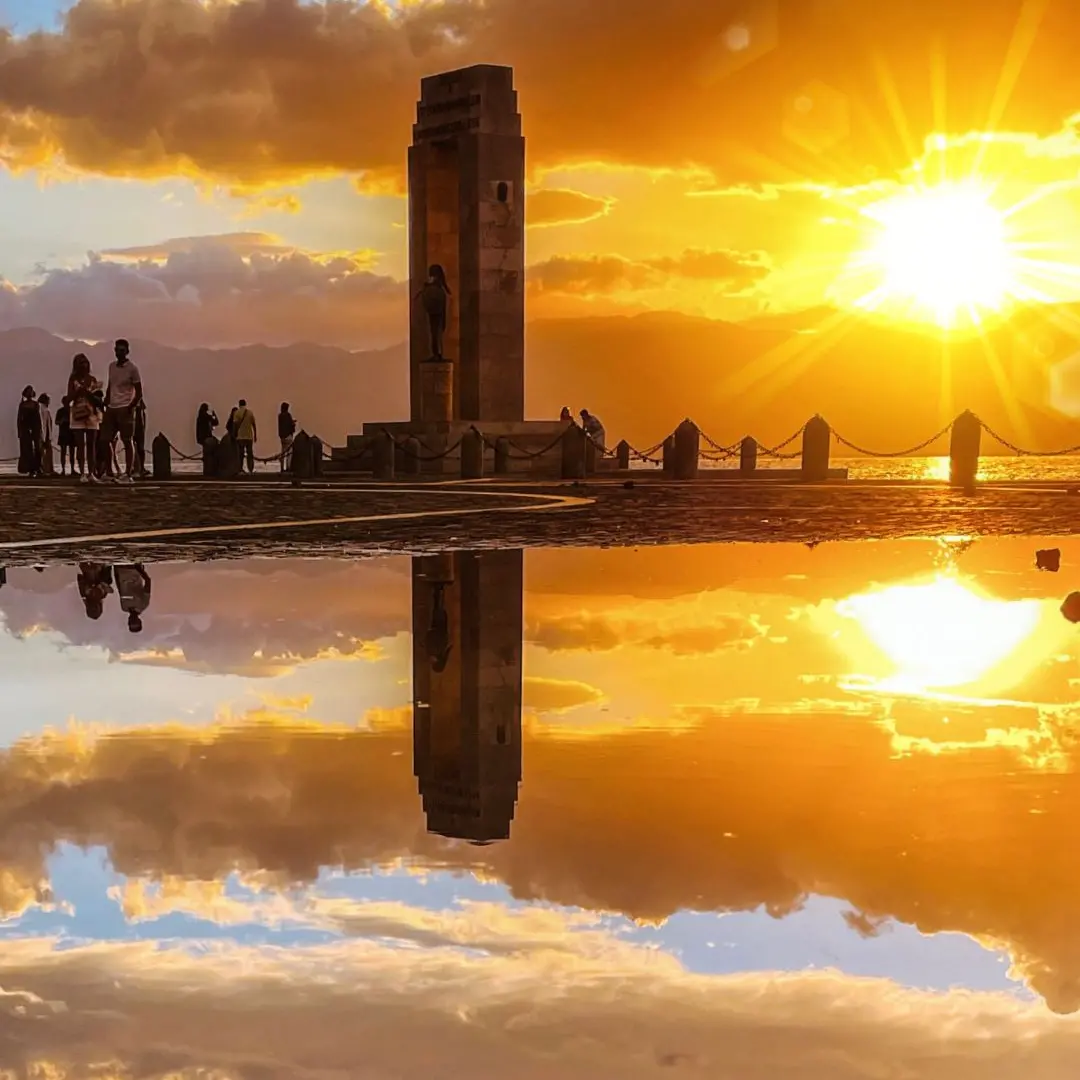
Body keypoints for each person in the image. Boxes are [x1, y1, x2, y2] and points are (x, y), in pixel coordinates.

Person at [102, 338, 143, 483]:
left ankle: (128, 473)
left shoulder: (132, 369)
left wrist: (131, 407)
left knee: (127, 440)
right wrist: (106, 401)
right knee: (105, 440)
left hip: (125, 407)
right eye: (117, 350)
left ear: (127, 351)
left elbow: (139, 392)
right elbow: (110, 385)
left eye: (122, 350)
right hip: (111, 407)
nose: (119, 352)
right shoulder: (111, 367)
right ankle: (109, 471)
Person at [67, 353, 102, 483]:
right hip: (78, 414)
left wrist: (88, 393)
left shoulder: (92, 379)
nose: (84, 365)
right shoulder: (73, 379)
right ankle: (82, 472)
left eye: (85, 362)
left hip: (91, 414)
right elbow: (69, 398)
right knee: (80, 445)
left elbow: (98, 399)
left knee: (91, 445)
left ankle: (91, 472)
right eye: (81, 363)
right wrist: (78, 392)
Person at [417, 264, 451, 359]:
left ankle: (437, 353)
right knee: (434, 333)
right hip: (435, 312)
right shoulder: (435, 288)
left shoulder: (437, 289)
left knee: (436, 333)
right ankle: (436, 353)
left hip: (438, 313)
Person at [114, 563, 151, 633]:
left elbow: (119, 588)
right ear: (139, 621)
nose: (132, 621)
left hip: (120, 568)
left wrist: (115, 571)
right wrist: (139, 569)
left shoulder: (124, 607)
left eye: (130, 623)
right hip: (133, 569)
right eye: (135, 622)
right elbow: (148, 581)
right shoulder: (144, 604)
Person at [16, 386, 42, 477]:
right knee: (27, 449)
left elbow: (38, 418)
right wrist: (19, 431)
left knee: (37, 449)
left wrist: (39, 430)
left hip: (35, 428)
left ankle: (37, 467)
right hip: (25, 429)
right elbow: (19, 419)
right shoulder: (22, 405)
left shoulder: (35, 404)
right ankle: (29, 468)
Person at [232, 398, 257, 473]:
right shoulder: (250, 413)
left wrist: (234, 434)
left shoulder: (237, 413)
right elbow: (253, 424)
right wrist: (255, 435)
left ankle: (240, 468)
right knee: (250, 454)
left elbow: (235, 425)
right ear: (245, 404)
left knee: (241, 454)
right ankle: (250, 469)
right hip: (249, 436)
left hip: (240, 436)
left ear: (239, 404)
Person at [38, 393, 54, 476]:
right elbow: (43, 423)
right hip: (44, 434)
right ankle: (45, 469)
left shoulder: (45, 409)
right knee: (44, 452)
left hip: (46, 434)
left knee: (47, 452)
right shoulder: (42, 410)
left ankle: (48, 468)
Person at [56, 396, 73, 476]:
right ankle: (63, 469)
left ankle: (72, 469)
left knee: (72, 451)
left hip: (71, 433)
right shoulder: (60, 411)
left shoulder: (72, 410)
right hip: (63, 433)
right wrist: (62, 421)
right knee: (63, 451)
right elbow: (56, 422)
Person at [278, 402, 296, 472]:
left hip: (282, 437)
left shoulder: (280, 416)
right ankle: (288, 467)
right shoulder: (288, 415)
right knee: (289, 453)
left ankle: (282, 468)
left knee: (283, 452)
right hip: (288, 436)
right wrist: (293, 423)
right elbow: (290, 425)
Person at [133, 397, 149, 477]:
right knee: (135, 447)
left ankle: (141, 467)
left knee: (140, 447)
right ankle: (137, 467)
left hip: (138, 426)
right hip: (135, 425)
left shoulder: (138, 401)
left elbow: (142, 415)